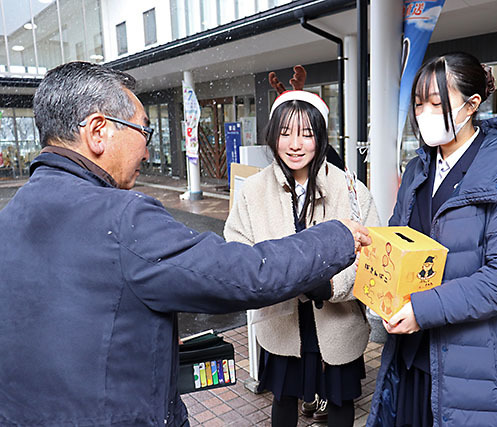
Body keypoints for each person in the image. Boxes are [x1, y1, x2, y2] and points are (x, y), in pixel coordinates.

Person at [0, 61, 372, 427]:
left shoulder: (10, 217)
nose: (147, 151)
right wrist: (336, 236)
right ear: (98, 132)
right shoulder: (124, 217)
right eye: (143, 132)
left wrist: (149, 335)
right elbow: (244, 272)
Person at [366, 52, 497, 426]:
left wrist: (421, 310)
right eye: (418, 104)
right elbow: (398, 244)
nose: (424, 113)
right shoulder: (418, 169)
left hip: (476, 365)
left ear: (471, 105)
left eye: (436, 103)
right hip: (414, 356)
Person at [224, 85, 380, 427]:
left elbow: (373, 255)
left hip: (337, 320)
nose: (295, 144)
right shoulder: (253, 191)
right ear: (272, 136)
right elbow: (236, 249)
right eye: (285, 133)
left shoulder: (349, 188)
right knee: (284, 398)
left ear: (321, 138)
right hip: (281, 320)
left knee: (340, 400)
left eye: (307, 134)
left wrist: (331, 286)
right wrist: (271, 278)